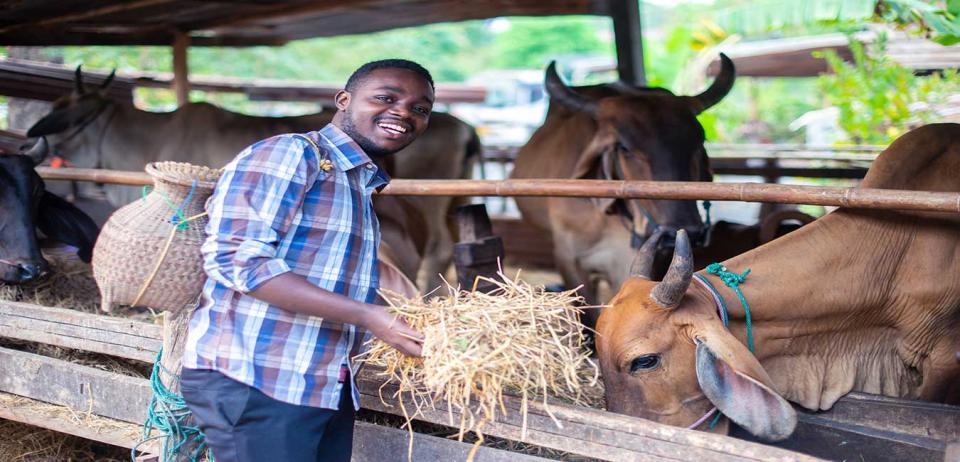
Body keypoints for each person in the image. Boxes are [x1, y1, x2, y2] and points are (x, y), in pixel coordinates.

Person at [180, 59, 434, 462]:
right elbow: (236, 261)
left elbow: (332, 270)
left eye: (420, 109)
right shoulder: (292, 154)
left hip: (321, 380)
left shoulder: (359, 183)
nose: (404, 112)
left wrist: (409, 312)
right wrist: (370, 316)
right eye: (386, 98)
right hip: (258, 379)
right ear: (344, 100)